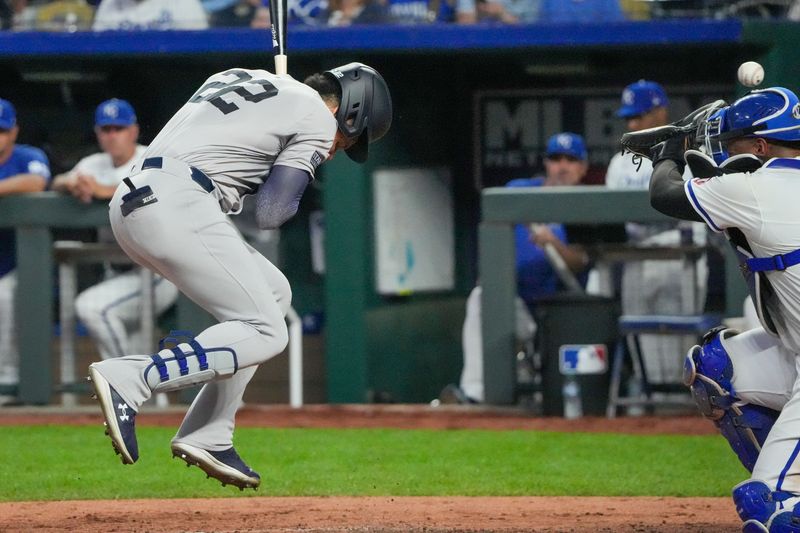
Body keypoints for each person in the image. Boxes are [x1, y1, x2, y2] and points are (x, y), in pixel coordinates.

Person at [87, 63, 392, 489]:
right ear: (352, 112)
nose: (337, 148)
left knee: (274, 293)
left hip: (135, 200)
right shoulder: (319, 119)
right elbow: (272, 212)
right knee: (269, 331)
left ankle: (209, 432)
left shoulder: (243, 77)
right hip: (178, 202)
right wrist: (289, 161)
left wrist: (272, 154)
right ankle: (136, 378)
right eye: (348, 140)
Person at [646, 86, 800, 530]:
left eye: (734, 145)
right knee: (716, 367)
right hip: (795, 354)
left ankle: (783, 491)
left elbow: (665, 193)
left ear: (761, 146)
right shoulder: (768, 185)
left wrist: (670, 148)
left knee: (766, 511)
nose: (729, 154)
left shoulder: (761, 189)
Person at [443, 132, 590, 404]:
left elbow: (582, 261)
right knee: (481, 296)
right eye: (556, 158)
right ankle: (473, 394)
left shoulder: (585, 205)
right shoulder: (520, 190)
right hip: (515, 302)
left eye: (571, 159)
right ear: (546, 163)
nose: (562, 166)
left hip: (556, 312)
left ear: (582, 168)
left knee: (527, 400)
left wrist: (554, 243)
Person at [52, 99, 179, 366]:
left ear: (133, 131)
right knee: (136, 347)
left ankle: (128, 378)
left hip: (157, 272)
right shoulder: (93, 164)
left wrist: (106, 191)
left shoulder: (151, 157)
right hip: (118, 273)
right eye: (106, 129)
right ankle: (147, 395)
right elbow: (57, 181)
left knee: (93, 307)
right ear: (98, 133)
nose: (112, 136)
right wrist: (72, 183)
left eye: (118, 129)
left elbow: (155, 190)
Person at [606, 80, 708, 389]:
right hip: (635, 257)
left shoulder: (690, 155)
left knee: (681, 347)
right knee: (643, 346)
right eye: (629, 118)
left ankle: (682, 408)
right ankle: (649, 408)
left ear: (661, 112)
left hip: (681, 258)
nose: (633, 124)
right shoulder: (619, 162)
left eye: (639, 116)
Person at [0, 97, 51, 405]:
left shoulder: (27, 156)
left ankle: (6, 379)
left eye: (1, 130)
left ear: (14, 132)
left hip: (17, 263)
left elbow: (36, 181)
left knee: (3, 299)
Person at [92, 0, 209, 30]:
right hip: (120, 74)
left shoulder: (182, 2)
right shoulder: (110, 3)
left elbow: (200, 48)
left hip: (173, 72)